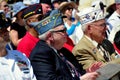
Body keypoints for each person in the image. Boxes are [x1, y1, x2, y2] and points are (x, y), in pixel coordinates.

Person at [29, 9, 99, 80]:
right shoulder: (40, 54)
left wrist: (87, 72)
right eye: (63, 31)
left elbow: (76, 72)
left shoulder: (63, 50)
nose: (67, 33)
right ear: (50, 36)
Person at [0, 13, 36, 80]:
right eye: (1, 31)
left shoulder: (20, 56)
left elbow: (30, 77)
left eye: (6, 29)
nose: (6, 32)